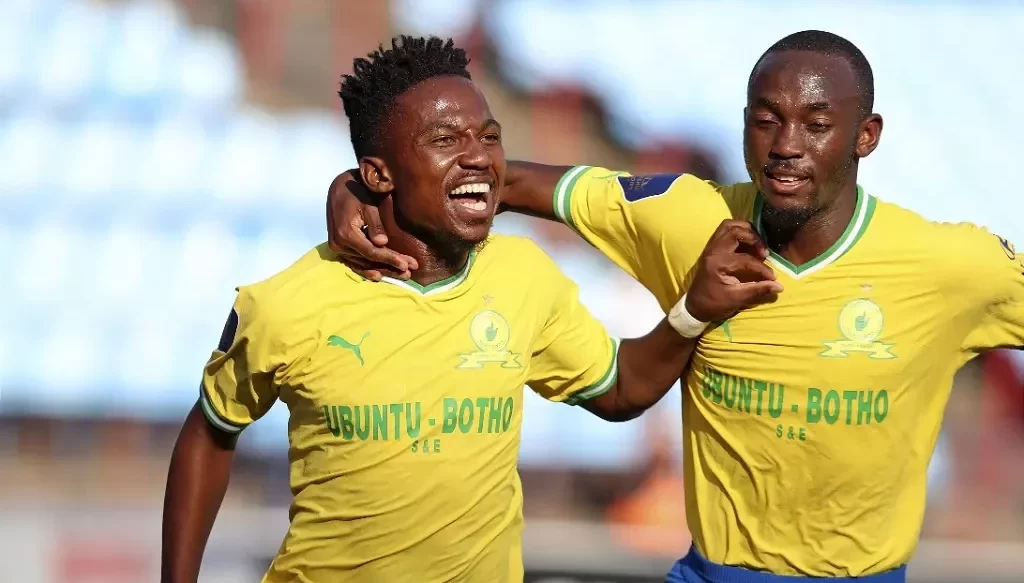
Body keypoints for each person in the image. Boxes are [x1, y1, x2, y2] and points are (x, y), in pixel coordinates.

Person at [325, 30, 1024, 583]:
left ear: (865, 135)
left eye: (816, 124)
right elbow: (496, 183)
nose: (786, 146)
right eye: (766, 121)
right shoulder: (686, 216)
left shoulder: (949, 265)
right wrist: (356, 187)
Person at [161, 36, 780, 583]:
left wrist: (693, 311)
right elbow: (210, 432)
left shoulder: (522, 273)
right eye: (444, 140)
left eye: (489, 137)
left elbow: (620, 391)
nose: (480, 157)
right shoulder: (286, 303)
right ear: (377, 174)